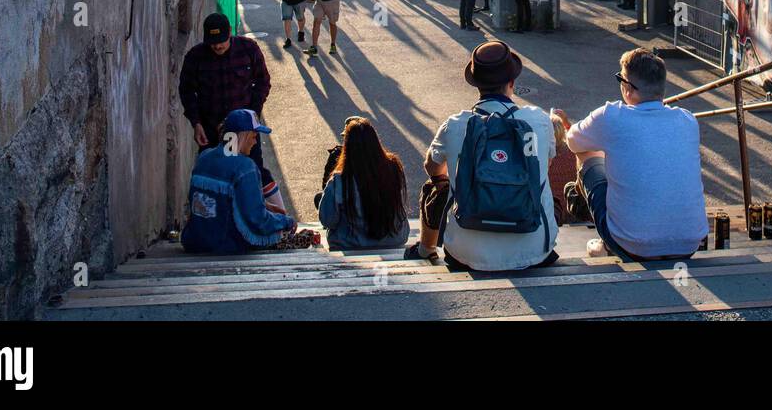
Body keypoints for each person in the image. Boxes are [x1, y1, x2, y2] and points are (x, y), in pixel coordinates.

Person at [406, 41, 558, 271]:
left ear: (477, 85)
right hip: (534, 251)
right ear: (512, 83)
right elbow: (544, 166)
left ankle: (426, 248)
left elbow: (432, 169)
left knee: (438, 183)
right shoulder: (538, 120)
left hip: (466, 254)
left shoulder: (456, 124)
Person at [555, 49, 706, 261]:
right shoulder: (687, 120)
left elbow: (573, 141)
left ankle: (605, 238)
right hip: (689, 243)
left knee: (588, 154)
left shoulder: (611, 115)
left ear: (628, 88)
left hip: (633, 246)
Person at [182, 109, 295, 254]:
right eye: (254, 136)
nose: (255, 142)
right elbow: (257, 220)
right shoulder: (245, 167)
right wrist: (286, 222)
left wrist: (264, 204)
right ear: (243, 136)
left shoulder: (204, 156)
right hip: (225, 246)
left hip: (194, 242)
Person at [178, 13, 272, 176]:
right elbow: (186, 90)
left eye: (221, 41)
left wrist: (253, 114)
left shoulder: (248, 49)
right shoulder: (195, 57)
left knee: (252, 174)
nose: (218, 46)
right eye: (213, 43)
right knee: (216, 178)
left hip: (245, 131)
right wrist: (196, 123)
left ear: (229, 31)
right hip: (212, 132)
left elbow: (263, 82)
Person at [318, 117, 411, 251]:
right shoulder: (394, 168)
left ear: (347, 147)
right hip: (393, 239)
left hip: (351, 243)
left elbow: (327, 220)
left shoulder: (340, 180)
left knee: (322, 199)